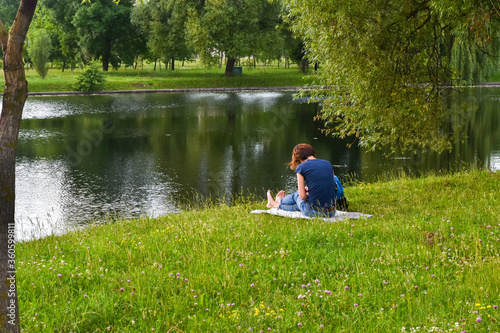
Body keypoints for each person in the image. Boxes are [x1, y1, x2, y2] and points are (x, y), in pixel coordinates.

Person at [266, 143, 336, 217]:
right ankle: (277, 203)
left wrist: (305, 195)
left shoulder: (302, 167)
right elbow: (331, 186)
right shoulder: (328, 164)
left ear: (298, 157)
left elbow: (302, 197)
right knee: (299, 205)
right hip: (331, 212)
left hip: (313, 212)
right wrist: (311, 190)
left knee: (296, 195)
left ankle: (278, 202)